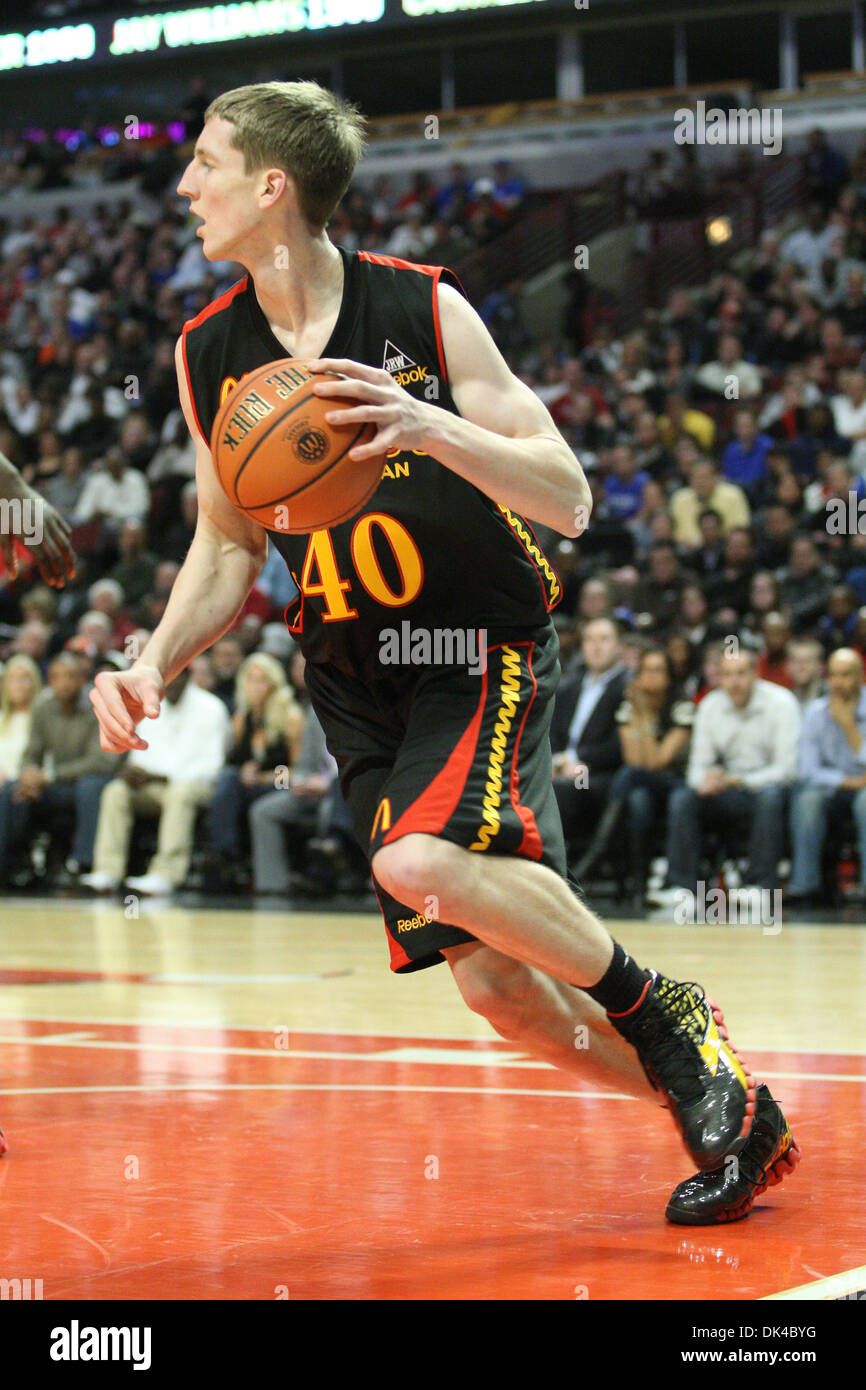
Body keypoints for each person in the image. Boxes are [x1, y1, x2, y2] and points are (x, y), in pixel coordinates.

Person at [88, 80, 795, 1225]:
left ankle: (664, 1007)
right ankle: (723, 1104)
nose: (184, 186)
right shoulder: (207, 350)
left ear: (273, 185)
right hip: (352, 679)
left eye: (206, 164)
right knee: (498, 991)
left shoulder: (421, 309)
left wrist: (427, 427)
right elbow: (226, 544)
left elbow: (566, 496)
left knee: (410, 862)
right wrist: (150, 660)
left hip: (474, 642)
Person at [651, 649, 801, 907]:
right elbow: (696, 769)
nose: (735, 682)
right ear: (719, 677)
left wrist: (738, 780)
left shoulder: (781, 702)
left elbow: (786, 769)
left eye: (741, 674)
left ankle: (760, 886)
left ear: (755, 674)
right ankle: (682, 888)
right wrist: (706, 782)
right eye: (728, 675)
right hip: (727, 790)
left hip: (768, 789)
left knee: (770, 797)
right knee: (683, 797)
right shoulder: (711, 705)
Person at [81, 667, 229, 895]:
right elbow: (142, 753)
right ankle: (108, 871)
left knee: (180, 794)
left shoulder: (212, 707)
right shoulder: (150, 705)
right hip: (155, 787)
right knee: (116, 791)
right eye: (164, 680)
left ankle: (166, 874)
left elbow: (212, 764)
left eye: (174, 678)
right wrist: (135, 771)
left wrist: (164, 775)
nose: (168, 685)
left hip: (197, 786)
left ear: (188, 676)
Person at [572, 646, 694, 903]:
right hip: (641, 783)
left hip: (677, 783)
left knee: (629, 777)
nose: (651, 676)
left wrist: (646, 716)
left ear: (669, 676)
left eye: (658, 670)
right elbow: (634, 759)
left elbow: (656, 762)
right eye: (646, 670)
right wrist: (639, 713)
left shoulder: (682, 706)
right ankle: (640, 883)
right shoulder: (629, 707)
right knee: (638, 798)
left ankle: (596, 855)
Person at [0, 652, 115, 882]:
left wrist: (48, 775)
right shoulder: (43, 708)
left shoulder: (97, 707)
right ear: (49, 681)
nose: (64, 682)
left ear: (82, 679)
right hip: (56, 784)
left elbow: (100, 761)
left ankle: (83, 865)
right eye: (57, 677)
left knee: (88, 787)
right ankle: (8, 864)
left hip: (92, 781)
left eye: (70, 676)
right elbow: (31, 753)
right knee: (14, 790)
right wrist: (29, 774)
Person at [203, 651, 304, 884]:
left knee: (238, 787)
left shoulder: (291, 715)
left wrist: (264, 777)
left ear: (273, 683)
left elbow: (297, 770)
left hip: (281, 784)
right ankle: (222, 854)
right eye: (250, 679)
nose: (255, 686)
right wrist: (244, 771)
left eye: (262, 679)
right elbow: (235, 760)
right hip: (251, 785)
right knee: (228, 778)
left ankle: (227, 854)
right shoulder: (242, 717)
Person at [788, 648, 866, 904]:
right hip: (832, 789)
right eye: (833, 675)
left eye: (846, 675)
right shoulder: (815, 712)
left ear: (860, 676)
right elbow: (807, 771)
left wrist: (848, 725)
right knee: (807, 800)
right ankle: (804, 885)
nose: (839, 683)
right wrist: (848, 781)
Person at [0, 654, 42, 784]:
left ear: (34, 682)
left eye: (24, 678)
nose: (18, 685)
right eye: (12, 679)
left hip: (26, 784)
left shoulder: (42, 719)